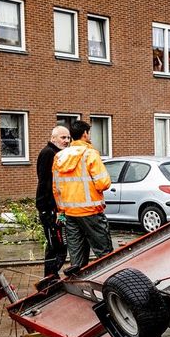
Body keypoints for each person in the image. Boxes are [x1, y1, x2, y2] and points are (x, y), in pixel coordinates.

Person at [52, 120, 113, 274]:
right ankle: (111, 282)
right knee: (105, 254)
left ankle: (77, 286)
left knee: (77, 256)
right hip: (91, 212)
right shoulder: (90, 154)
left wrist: (62, 211)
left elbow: (56, 188)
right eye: (89, 133)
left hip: (70, 214)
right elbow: (103, 183)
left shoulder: (59, 157)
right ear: (85, 134)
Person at [35, 125, 70, 280]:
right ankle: (49, 280)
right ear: (53, 138)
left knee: (60, 244)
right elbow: (45, 182)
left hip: (59, 210)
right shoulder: (48, 153)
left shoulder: (59, 154)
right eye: (63, 137)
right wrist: (46, 208)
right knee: (56, 245)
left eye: (68, 138)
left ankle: (51, 278)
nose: (67, 141)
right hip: (50, 210)